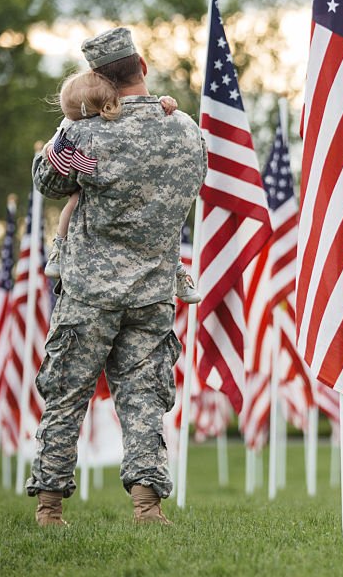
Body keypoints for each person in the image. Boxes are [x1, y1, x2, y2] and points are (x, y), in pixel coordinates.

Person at [26, 27, 207, 526]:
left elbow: (47, 181)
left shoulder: (83, 136)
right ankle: (147, 507)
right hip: (154, 290)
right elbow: (197, 177)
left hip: (88, 292)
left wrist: (69, 127)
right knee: (144, 397)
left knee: (67, 396)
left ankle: (50, 509)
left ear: (97, 80)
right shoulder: (187, 129)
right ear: (142, 66)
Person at [43, 71, 201, 304]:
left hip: (134, 208)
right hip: (107, 210)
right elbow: (52, 165)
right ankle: (59, 246)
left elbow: (143, 116)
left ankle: (176, 270)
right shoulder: (78, 129)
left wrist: (163, 103)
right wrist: (53, 146)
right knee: (77, 201)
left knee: (161, 217)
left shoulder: (111, 119)